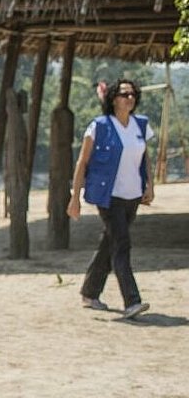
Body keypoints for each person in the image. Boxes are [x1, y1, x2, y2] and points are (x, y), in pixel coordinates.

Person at [68, 78, 157, 319]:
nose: (130, 98)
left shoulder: (141, 125)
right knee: (122, 244)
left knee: (110, 243)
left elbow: (145, 158)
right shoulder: (99, 126)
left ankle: (90, 291)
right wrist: (75, 197)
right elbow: (82, 162)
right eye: (124, 94)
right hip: (109, 197)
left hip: (132, 195)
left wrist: (150, 184)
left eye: (132, 95)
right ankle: (132, 301)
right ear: (113, 99)